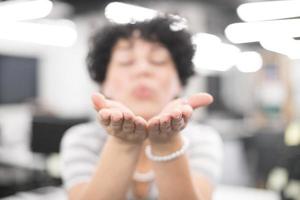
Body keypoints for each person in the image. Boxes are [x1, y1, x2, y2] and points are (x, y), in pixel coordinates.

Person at [60, 15, 223, 200]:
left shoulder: (202, 140)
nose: (142, 70)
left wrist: (167, 143)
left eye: (158, 60)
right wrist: (123, 141)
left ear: (180, 82)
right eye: (126, 61)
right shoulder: (82, 140)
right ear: (103, 83)